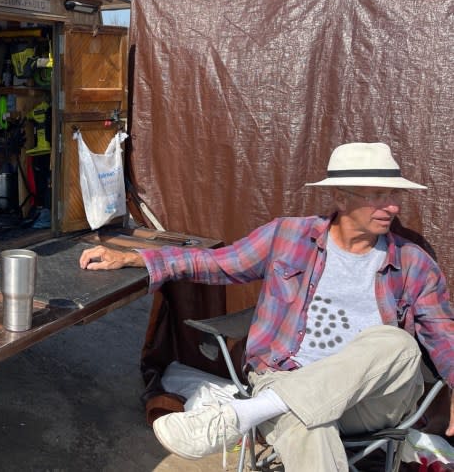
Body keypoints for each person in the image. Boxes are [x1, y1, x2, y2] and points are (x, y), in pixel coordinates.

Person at [79, 142, 454, 470]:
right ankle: (269, 405)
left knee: (397, 344)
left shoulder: (413, 262)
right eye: (376, 195)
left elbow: (443, 333)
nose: (392, 205)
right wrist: (140, 259)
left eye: (393, 194)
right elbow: (218, 263)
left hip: (372, 402)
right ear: (340, 198)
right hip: (286, 376)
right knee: (308, 426)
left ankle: (244, 414)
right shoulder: (289, 237)